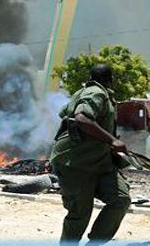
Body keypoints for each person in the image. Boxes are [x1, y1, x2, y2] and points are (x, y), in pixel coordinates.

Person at [49, 64, 131, 245]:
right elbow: (81, 118)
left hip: (100, 162)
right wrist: (113, 141)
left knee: (120, 199)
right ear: (111, 79)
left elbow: (64, 112)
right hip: (75, 163)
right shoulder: (96, 93)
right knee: (79, 214)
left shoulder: (86, 92)